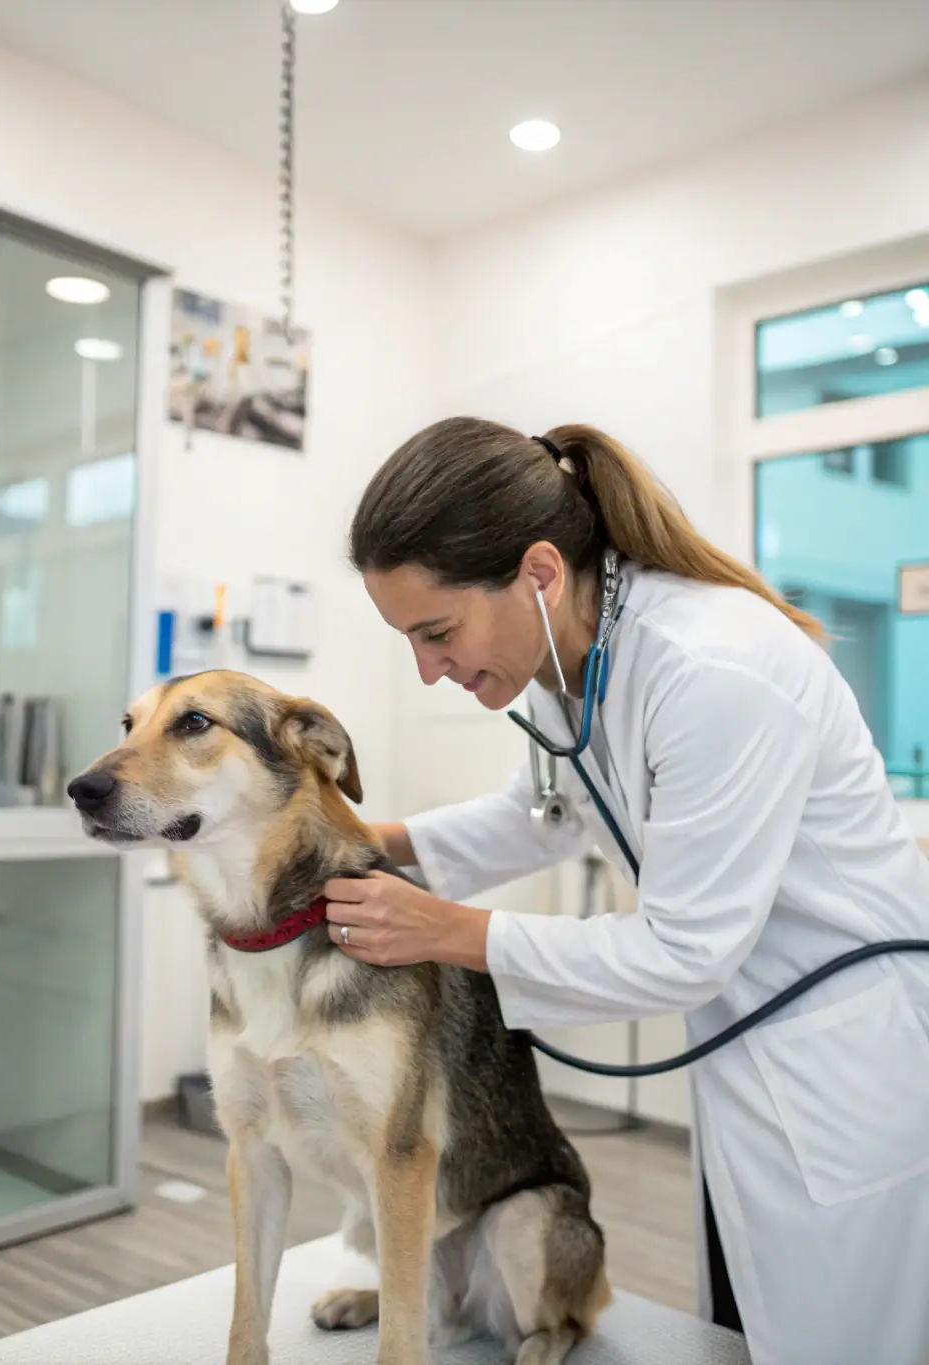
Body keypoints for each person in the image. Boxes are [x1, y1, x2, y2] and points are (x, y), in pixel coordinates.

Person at [321, 416, 929, 1365]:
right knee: (749, 1314)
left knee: (842, 1333)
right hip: (753, 1042)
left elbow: (685, 948)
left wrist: (447, 930)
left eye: (437, 632)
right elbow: (548, 810)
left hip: (842, 1052)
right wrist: (368, 842)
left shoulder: (713, 669)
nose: (429, 670)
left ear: (538, 572)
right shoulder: (572, 662)